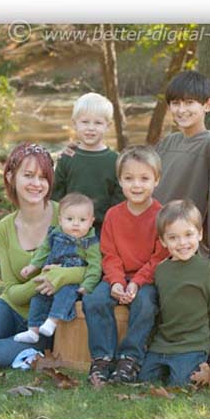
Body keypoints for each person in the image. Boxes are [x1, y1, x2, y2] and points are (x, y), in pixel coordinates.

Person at [0, 143, 89, 369]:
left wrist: (61, 276)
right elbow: (12, 290)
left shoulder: (67, 216)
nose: (36, 184)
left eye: (43, 177)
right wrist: (41, 282)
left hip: (49, 321)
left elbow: (92, 269)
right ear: (11, 177)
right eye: (28, 175)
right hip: (10, 308)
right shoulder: (4, 227)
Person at [82, 146, 169, 383]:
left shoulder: (161, 215)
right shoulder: (113, 215)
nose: (136, 185)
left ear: (156, 180)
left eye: (144, 178)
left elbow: (159, 257)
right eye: (129, 178)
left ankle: (130, 359)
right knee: (94, 300)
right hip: (116, 276)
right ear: (120, 181)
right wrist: (117, 282)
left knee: (146, 304)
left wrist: (137, 284)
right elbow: (109, 254)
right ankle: (102, 358)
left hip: (146, 279)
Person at [138, 200, 210, 386]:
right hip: (164, 342)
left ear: (200, 234)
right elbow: (161, 310)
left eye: (188, 235)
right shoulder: (161, 270)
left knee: (181, 383)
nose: (182, 243)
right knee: (145, 380)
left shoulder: (208, 268)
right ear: (163, 240)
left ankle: (207, 368)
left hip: (193, 343)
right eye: (173, 238)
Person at [13, 193, 102, 343]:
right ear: (60, 220)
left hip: (71, 282)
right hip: (49, 276)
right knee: (38, 297)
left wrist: (88, 285)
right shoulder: (55, 234)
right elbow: (43, 251)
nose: (75, 224)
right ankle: (33, 330)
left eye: (82, 220)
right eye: (70, 219)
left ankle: (52, 321)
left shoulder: (90, 242)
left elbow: (95, 265)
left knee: (65, 294)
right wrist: (33, 265)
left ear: (91, 221)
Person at [153, 70, 210, 250]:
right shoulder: (167, 143)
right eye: (175, 103)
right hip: (156, 235)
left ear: (207, 105)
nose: (181, 110)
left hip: (186, 242)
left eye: (189, 102)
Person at [51, 92, 124, 235]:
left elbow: (119, 200)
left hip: (103, 231)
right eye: (85, 122)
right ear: (75, 124)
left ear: (107, 126)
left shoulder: (115, 161)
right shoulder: (67, 158)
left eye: (98, 123)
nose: (91, 128)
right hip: (69, 230)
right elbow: (56, 195)